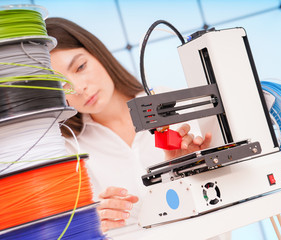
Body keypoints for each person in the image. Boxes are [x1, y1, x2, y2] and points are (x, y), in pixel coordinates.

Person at [45, 17, 212, 235]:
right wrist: (93, 224)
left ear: (97, 52)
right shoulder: (70, 150)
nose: (78, 88)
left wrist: (182, 173)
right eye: (62, 86)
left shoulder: (167, 102)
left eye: (80, 66)